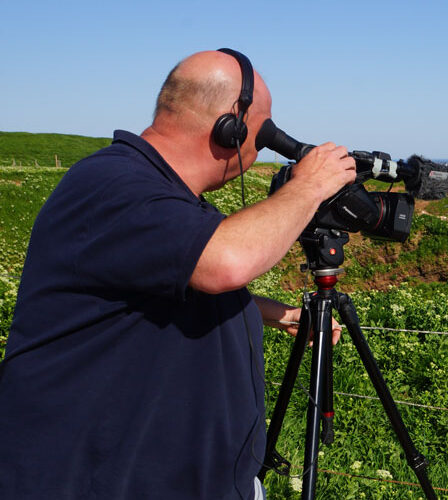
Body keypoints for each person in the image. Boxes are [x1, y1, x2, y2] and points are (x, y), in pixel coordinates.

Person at [0, 49, 356, 499]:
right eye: (263, 134)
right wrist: (310, 185)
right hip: (95, 482)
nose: (257, 148)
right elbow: (224, 263)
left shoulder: (161, 196)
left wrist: (267, 312)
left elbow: (157, 288)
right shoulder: (113, 184)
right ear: (233, 128)